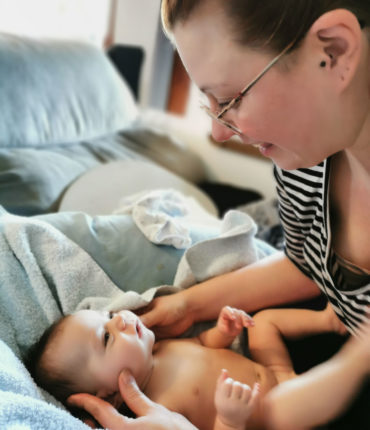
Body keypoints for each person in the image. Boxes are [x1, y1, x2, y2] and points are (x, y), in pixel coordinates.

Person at [54, 0, 370, 428]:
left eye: (229, 98)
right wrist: (187, 306)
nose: (219, 132)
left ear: (333, 51)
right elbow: (307, 263)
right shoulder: (304, 163)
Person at [27, 304, 346, 430]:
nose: (120, 319)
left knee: (262, 323)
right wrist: (229, 419)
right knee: (294, 408)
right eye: (107, 337)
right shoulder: (160, 408)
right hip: (272, 413)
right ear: (109, 397)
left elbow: (206, 345)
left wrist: (224, 331)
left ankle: (328, 319)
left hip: (275, 369)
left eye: (108, 315)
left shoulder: (163, 348)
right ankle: (352, 363)